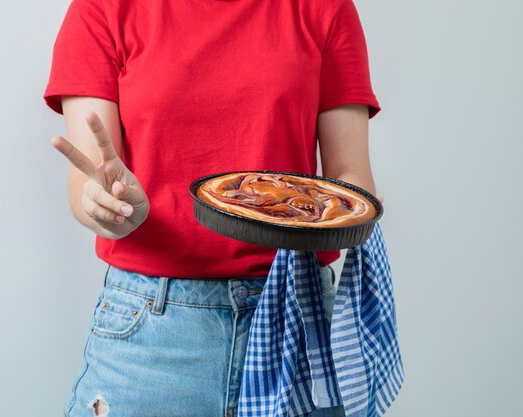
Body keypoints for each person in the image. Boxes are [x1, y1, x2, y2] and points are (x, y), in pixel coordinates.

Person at [44, 0, 381, 416]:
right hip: (151, 332)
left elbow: (349, 172)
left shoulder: (325, 9)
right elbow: (91, 175)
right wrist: (106, 203)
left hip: (297, 322)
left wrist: (355, 206)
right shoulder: (103, 8)